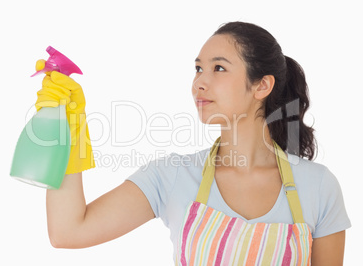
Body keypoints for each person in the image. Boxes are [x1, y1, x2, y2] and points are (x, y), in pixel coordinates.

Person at [36, 22, 351, 265]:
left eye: (219, 68)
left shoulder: (318, 186)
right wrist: (66, 129)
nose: (199, 81)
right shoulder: (172, 175)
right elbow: (68, 231)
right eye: (198, 68)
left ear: (261, 85)